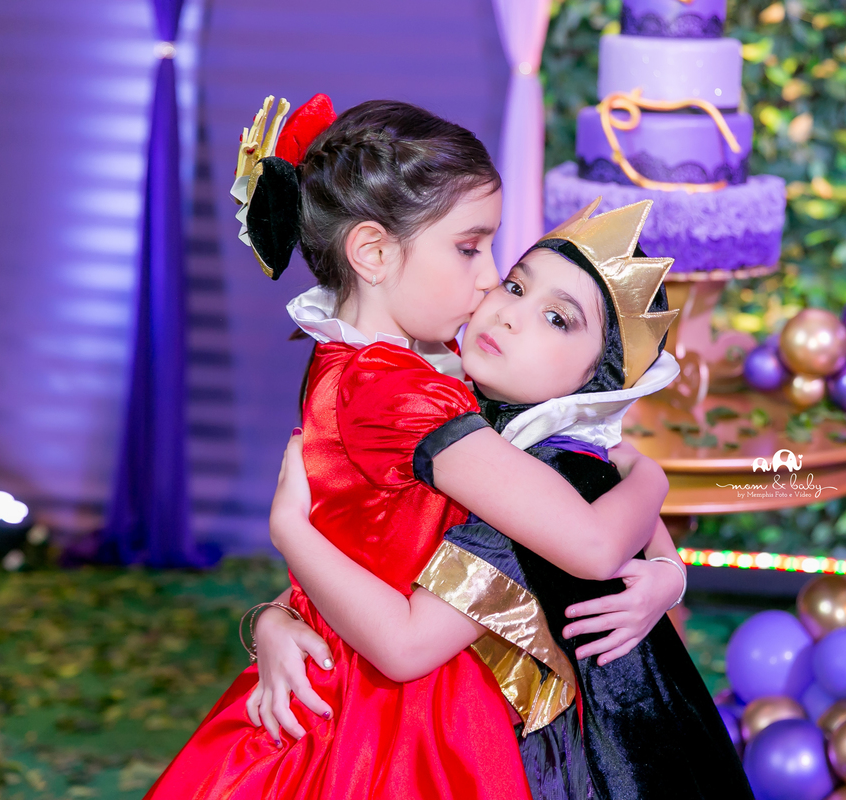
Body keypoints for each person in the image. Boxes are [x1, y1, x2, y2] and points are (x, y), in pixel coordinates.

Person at [144, 96, 679, 800]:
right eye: (469, 247)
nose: (488, 279)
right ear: (372, 253)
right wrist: (651, 474)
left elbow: (369, 546)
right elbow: (591, 542)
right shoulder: (400, 395)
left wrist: (276, 614)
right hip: (402, 720)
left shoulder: (375, 361)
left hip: (375, 668)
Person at [261, 199, 754, 799]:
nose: (511, 314)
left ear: (598, 380)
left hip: (556, 758)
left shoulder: (540, 478)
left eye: (558, 319)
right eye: (517, 286)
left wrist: (290, 530)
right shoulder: (466, 421)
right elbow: (375, 558)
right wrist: (277, 615)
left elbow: (406, 644)